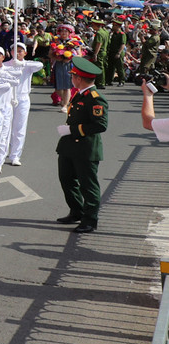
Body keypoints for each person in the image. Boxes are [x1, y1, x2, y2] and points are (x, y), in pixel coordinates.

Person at [55, 56, 108, 234]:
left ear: (78, 78)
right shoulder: (80, 93)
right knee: (67, 180)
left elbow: (101, 125)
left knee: (88, 185)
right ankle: (76, 211)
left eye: (73, 76)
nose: (72, 79)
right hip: (69, 147)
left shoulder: (95, 98)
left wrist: (73, 130)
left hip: (85, 148)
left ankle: (90, 219)